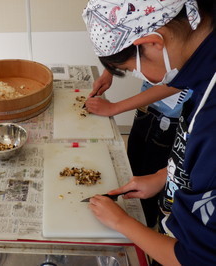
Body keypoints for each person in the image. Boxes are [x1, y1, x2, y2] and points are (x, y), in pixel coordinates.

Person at [82, 0, 216, 265]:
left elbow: (194, 258)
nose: (143, 77)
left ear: (153, 43)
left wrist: (122, 222)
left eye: (131, 69)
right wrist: (163, 176)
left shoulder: (210, 121)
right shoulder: (202, 63)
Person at [85, 70, 192, 227]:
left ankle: (145, 223)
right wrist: (109, 71)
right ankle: (131, 213)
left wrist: (114, 108)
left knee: (152, 172)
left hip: (172, 121)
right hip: (146, 108)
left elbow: (177, 83)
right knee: (133, 162)